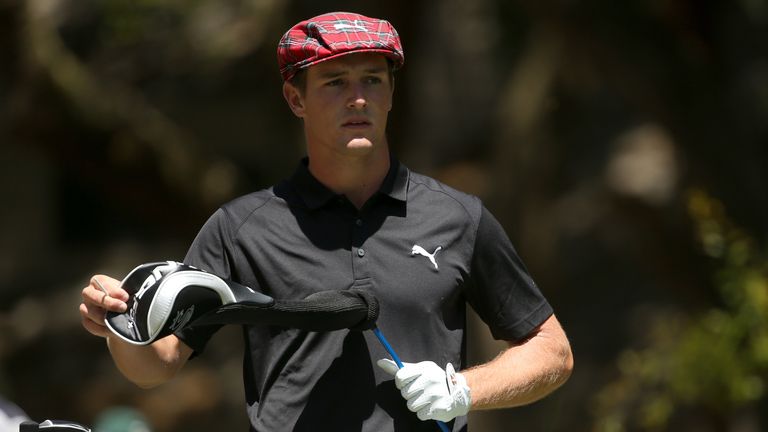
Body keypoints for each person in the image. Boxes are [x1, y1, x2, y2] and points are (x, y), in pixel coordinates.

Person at [79, 11, 573, 432]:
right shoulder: (240, 227)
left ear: (391, 94)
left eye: (372, 81)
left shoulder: (458, 216)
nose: (357, 98)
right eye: (335, 83)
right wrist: (118, 326)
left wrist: (464, 388)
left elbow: (551, 351)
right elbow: (158, 364)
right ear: (296, 100)